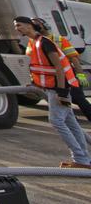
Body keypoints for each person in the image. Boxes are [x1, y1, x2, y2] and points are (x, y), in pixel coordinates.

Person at [15, 15, 90, 168]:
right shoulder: (33, 43)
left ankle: (81, 159)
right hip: (52, 87)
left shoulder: (45, 42)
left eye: (19, 25)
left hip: (59, 87)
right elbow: (40, 67)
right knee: (71, 123)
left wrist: (62, 92)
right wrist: (35, 83)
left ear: (30, 25)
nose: (17, 28)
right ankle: (83, 159)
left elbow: (59, 68)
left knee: (57, 121)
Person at [34, 17, 91, 124]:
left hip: (67, 75)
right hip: (52, 77)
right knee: (64, 101)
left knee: (79, 100)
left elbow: (74, 59)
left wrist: (81, 76)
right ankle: (72, 121)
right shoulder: (34, 42)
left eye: (37, 24)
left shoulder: (58, 40)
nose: (36, 27)